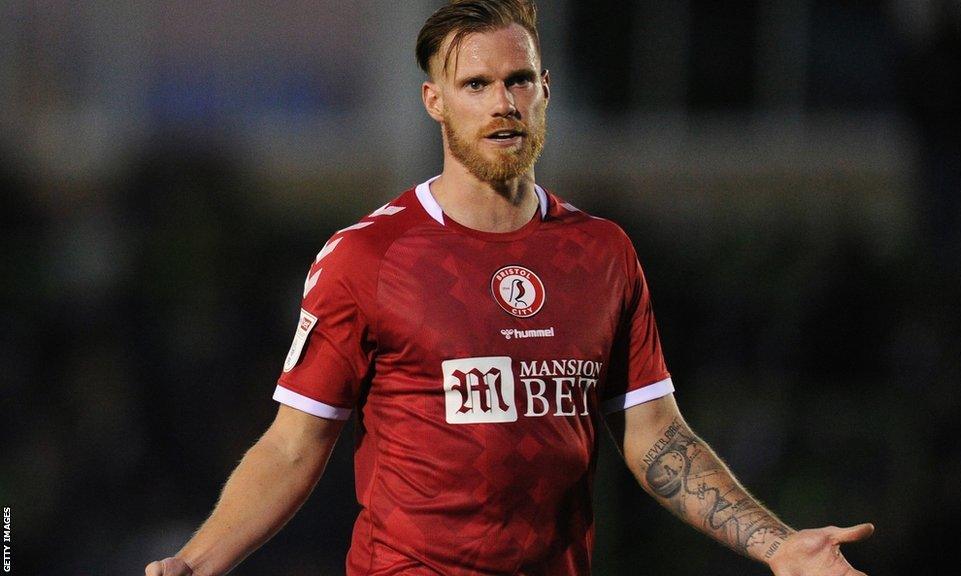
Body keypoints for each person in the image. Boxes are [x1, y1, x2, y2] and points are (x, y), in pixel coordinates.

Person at [145, 1, 874, 574]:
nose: (503, 103)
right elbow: (294, 444)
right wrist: (197, 561)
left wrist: (777, 546)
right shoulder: (369, 256)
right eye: (477, 84)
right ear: (436, 101)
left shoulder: (602, 253)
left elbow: (657, 440)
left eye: (519, 80)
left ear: (545, 90)